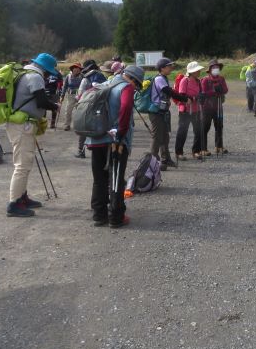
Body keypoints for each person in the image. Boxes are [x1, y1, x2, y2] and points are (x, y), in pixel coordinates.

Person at [86, 65, 143, 228]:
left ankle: (99, 215)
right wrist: (121, 132)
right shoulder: (126, 87)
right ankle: (116, 217)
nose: (136, 88)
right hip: (115, 140)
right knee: (116, 179)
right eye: (137, 84)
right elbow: (125, 108)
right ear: (133, 80)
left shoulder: (104, 84)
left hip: (96, 138)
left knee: (99, 179)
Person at [5, 53, 60, 217]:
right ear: (45, 68)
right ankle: (13, 204)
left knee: (24, 162)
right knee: (22, 165)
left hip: (20, 123)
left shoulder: (25, 73)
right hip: (23, 125)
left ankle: (22, 197)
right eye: (49, 72)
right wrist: (55, 106)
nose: (48, 76)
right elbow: (41, 101)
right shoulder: (35, 77)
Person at [148, 58, 187, 167]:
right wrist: (184, 99)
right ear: (162, 68)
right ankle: (153, 163)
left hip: (162, 111)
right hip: (156, 112)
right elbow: (169, 92)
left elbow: (170, 92)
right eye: (169, 66)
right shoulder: (159, 79)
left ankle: (166, 159)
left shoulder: (163, 78)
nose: (171, 68)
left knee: (165, 136)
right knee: (157, 137)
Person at [74, 59, 108, 159]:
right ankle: (100, 151)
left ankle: (81, 151)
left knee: (84, 128)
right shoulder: (103, 77)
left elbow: (80, 95)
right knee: (99, 128)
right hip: (101, 108)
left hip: (87, 107)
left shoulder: (86, 79)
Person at [175, 61, 204, 160]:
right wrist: (195, 98)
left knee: (198, 131)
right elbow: (182, 95)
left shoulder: (198, 81)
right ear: (192, 72)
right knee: (182, 131)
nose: (199, 71)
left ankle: (196, 151)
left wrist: (202, 97)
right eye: (197, 70)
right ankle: (179, 153)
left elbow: (200, 94)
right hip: (185, 110)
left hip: (196, 110)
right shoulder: (184, 80)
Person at [200, 58, 229, 155]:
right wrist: (214, 91)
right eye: (214, 67)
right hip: (207, 107)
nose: (216, 69)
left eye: (217, 67)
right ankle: (203, 148)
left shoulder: (221, 79)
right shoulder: (205, 80)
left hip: (218, 106)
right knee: (205, 127)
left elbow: (225, 89)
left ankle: (219, 146)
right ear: (210, 69)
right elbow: (204, 92)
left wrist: (221, 90)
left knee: (219, 126)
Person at [60, 62, 82, 131]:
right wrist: (62, 95)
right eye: (75, 68)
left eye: (78, 68)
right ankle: (67, 125)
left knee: (80, 111)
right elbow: (65, 86)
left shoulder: (82, 76)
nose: (77, 69)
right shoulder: (68, 76)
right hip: (70, 95)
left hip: (80, 96)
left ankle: (79, 125)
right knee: (68, 110)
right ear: (72, 69)